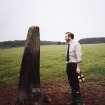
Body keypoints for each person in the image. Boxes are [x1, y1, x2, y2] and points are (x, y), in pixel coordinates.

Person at [65, 32, 83, 105]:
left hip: (74, 65)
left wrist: (78, 67)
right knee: (71, 83)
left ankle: (78, 102)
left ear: (70, 37)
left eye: (66, 36)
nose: (64, 38)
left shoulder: (76, 44)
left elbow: (79, 56)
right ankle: (74, 101)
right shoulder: (68, 45)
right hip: (69, 65)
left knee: (75, 83)